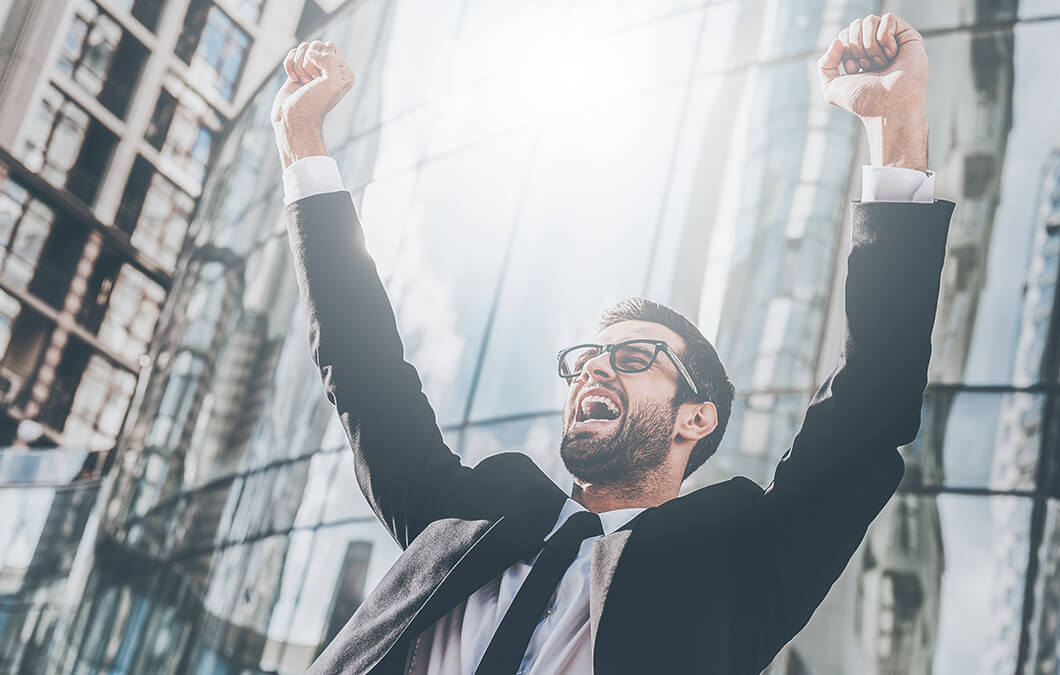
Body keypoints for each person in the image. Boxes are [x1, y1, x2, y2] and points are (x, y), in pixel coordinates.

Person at [272, 12, 954, 675]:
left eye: (633, 359)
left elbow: (866, 414)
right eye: (587, 361)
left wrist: (895, 129)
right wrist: (302, 141)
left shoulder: (734, 565)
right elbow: (364, 370)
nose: (595, 369)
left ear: (698, 415)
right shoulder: (470, 512)